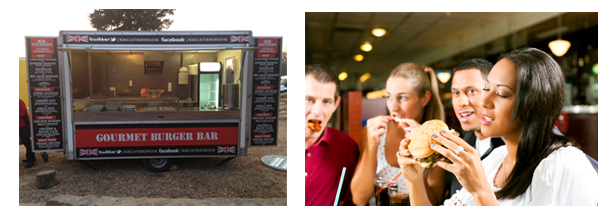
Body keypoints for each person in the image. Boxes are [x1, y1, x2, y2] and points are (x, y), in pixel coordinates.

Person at [398, 48, 598, 206]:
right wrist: (414, 180)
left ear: (533, 103)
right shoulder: (496, 159)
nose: (484, 100)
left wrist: (480, 189)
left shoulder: (562, 163)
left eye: (501, 93)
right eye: (486, 89)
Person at [351, 63, 446, 206]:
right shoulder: (374, 132)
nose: (393, 107)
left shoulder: (437, 140)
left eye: (402, 98)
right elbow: (359, 199)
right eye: (389, 97)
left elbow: (434, 203)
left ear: (425, 99)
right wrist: (372, 146)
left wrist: (417, 152)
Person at [444, 58, 505, 202]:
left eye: (471, 91)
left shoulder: (511, 148)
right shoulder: (459, 146)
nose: (461, 103)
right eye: (456, 93)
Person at [305, 64, 359, 206]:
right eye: (309, 100)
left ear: (336, 105)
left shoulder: (347, 147)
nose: (317, 111)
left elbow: (352, 202)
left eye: (326, 102)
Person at [19, 99, 35, 168]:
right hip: (20, 125)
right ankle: (32, 157)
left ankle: (30, 160)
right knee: (26, 143)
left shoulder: (19, 101)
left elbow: (22, 113)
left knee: (27, 143)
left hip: (24, 125)